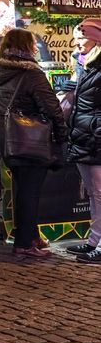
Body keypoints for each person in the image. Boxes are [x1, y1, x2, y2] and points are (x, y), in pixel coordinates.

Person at [0, 29, 67, 259]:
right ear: (28, 47)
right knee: (30, 191)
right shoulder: (31, 74)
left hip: (6, 136)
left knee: (22, 187)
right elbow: (52, 109)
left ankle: (29, 233)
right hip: (31, 138)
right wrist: (62, 137)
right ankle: (24, 243)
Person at [67, 18, 101, 263]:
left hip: (96, 137)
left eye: (82, 38)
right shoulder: (83, 66)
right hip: (83, 136)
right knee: (92, 193)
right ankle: (94, 239)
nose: (76, 43)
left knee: (100, 193)